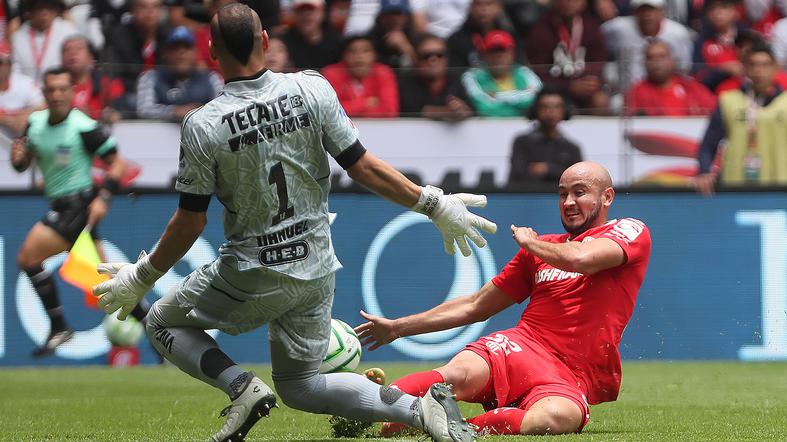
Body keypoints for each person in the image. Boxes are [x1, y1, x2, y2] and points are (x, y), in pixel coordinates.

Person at [92, 4, 492, 442]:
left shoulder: (203, 126)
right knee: (301, 386)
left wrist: (142, 276)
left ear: (210, 51)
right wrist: (433, 203)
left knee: (161, 323)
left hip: (252, 271)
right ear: (265, 41)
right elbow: (362, 167)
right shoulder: (311, 89)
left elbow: (189, 224)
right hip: (317, 268)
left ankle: (241, 388)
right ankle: (421, 409)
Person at [356, 161, 652, 437]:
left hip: (571, 376)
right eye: (562, 195)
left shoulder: (629, 230)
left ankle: (454, 428)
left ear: (607, 197)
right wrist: (397, 328)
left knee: (555, 418)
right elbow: (476, 305)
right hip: (520, 347)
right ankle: (363, 405)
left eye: (579, 192)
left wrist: (531, 244)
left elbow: (583, 259)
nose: (569, 202)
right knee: (458, 373)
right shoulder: (541, 249)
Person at [9, 67, 144, 358]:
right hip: (61, 205)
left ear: (72, 92)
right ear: (43, 93)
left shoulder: (83, 126)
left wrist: (103, 198)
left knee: (27, 257)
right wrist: (18, 160)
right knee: (111, 285)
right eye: (51, 90)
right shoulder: (34, 123)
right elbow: (23, 161)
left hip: (79, 205)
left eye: (62, 89)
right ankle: (158, 330)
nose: (56, 95)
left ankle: (59, 326)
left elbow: (118, 165)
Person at [695, 41, 787, 195]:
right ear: (745, 68)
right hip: (736, 188)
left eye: (765, 65)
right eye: (753, 65)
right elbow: (708, 144)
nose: (759, 70)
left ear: (775, 68)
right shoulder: (728, 101)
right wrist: (704, 172)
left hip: (780, 187)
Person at [525, 0, 609, 115]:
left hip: (585, 89)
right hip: (554, 91)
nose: (568, 3)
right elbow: (538, 72)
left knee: (600, 101)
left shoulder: (591, 27)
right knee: (561, 107)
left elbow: (598, 62)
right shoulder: (540, 30)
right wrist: (568, 87)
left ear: (583, 3)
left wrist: (591, 81)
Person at [136, 26, 223, 121]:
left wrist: (201, 111)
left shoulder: (212, 79)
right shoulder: (150, 77)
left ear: (196, 53)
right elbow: (144, 109)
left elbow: (222, 109)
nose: (181, 52)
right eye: (175, 48)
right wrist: (174, 111)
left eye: (187, 47)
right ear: (165, 53)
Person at [602, 0, 693, 90]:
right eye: (642, 10)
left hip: (663, 93)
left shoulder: (678, 34)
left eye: (652, 9)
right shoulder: (617, 29)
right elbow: (595, 40)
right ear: (634, 12)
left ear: (662, 10)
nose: (647, 15)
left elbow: (683, 68)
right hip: (626, 94)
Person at [457, 30, 542, 117]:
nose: (498, 56)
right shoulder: (471, 77)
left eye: (502, 50)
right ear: (484, 55)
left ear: (512, 53)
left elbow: (533, 102)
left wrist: (497, 96)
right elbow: (484, 108)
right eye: (492, 51)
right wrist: (520, 99)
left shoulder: (526, 73)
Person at [508, 87, 582, 184]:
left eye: (556, 107)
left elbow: (577, 179)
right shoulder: (522, 142)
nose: (550, 111)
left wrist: (547, 169)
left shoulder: (572, 148)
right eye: (545, 106)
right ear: (536, 109)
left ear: (565, 110)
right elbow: (518, 175)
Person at [626, 40, 716, 116]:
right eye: (651, 58)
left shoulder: (690, 87)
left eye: (662, 57)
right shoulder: (636, 92)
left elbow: (714, 111)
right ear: (644, 63)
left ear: (672, 60)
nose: (657, 62)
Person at [397, 33, 472, 120]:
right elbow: (413, 109)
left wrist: (461, 110)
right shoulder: (405, 82)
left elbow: (471, 109)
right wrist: (447, 112)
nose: (433, 60)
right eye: (426, 56)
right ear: (416, 59)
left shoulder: (459, 80)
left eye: (440, 55)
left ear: (447, 58)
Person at [322, 36, 399, 117]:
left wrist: (349, 109)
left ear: (374, 55)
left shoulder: (384, 73)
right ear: (344, 56)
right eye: (352, 51)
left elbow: (389, 110)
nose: (359, 57)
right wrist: (364, 103)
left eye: (365, 51)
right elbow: (328, 110)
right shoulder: (331, 74)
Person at [11, 0, 79, 83]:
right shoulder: (18, 37)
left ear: (55, 11)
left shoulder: (68, 31)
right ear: (29, 13)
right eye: (39, 9)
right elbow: (15, 70)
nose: (44, 13)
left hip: (59, 87)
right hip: (26, 90)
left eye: (49, 8)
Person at [61, 35, 125, 123]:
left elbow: (120, 111)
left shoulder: (107, 82)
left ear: (90, 58)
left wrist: (104, 116)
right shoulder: (56, 87)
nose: (72, 53)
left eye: (78, 48)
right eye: (67, 50)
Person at [0, 40, 45, 136]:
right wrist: (5, 119)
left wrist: (25, 115)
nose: (3, 67)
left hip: (20, 143)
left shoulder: (23, 83)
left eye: (7, 62)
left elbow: (44, 106)